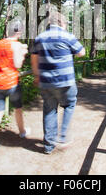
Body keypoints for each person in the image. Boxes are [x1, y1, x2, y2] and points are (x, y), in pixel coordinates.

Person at [30, 11, 85, 154]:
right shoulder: (68, 36)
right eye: (66, 23)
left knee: (49, 110)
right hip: (65, 81)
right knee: (69, 105)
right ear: (62, 23)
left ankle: (48, 146)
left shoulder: (39, 38)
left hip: (46, 82)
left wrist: (37, 76)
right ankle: (62, 137)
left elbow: (34, 60)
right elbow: (81, 52)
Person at [0, 20, 30, 154]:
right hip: (12, 83)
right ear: (19, 32)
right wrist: (23, 53)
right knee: (18, 109)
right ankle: (22, 132)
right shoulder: (16, 45)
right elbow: (17, 65)